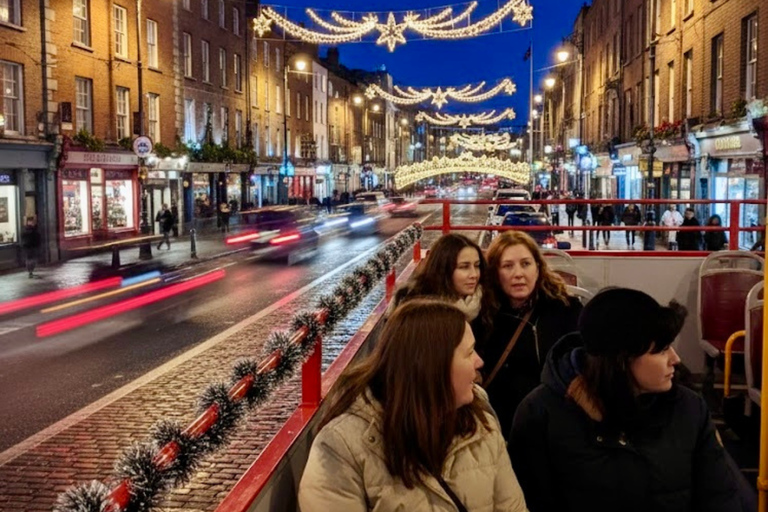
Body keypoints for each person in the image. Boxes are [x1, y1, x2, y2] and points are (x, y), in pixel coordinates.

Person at [510, 288, 741, 512]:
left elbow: (719, 496)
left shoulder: (689, 408)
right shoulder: (541, 414)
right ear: (621, 360)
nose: (676, 359)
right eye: (661, 350)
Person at [299, 300, 528, 512]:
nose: (479, 361)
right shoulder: (342, 447)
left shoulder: (480, 421)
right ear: (432, 368)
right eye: (469, 352)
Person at [482, 231, 583, 437]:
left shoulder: (566, 309)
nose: (518, 273)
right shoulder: (484, 317)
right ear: (494, 272)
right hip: (502, 428)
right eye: (508, 266)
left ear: (538, 268)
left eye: (526, 264)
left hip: (556, 425)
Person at [387, 234, 492, 341]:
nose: (474, 274)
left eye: (477, 265)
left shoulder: (485, 302)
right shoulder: (414, 308)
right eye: (464, 267)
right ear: (443, 270)